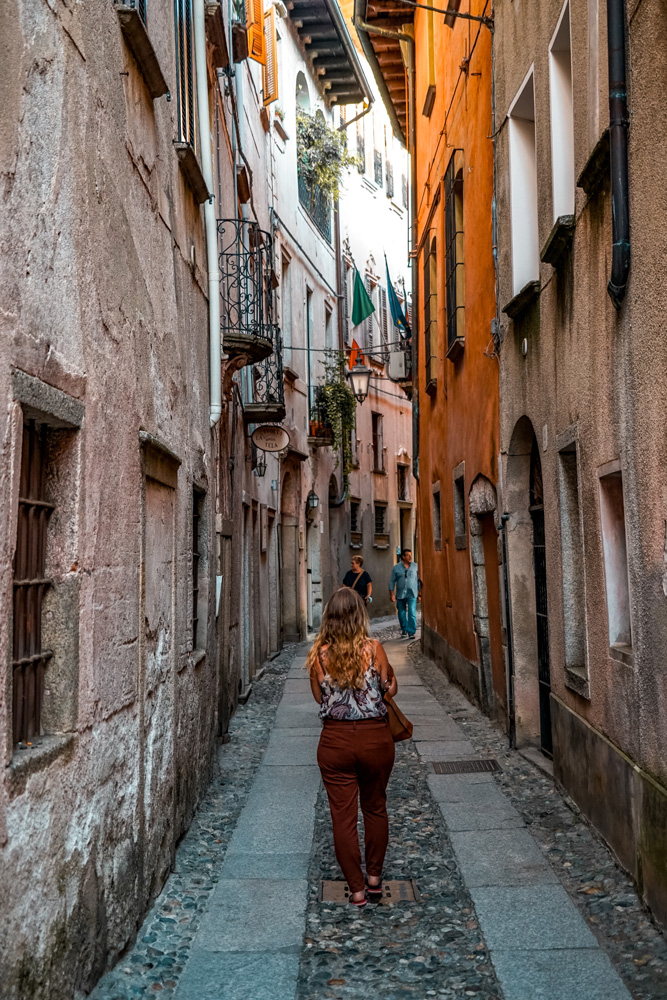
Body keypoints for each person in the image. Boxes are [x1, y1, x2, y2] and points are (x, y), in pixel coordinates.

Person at [307, 588, 398, 907]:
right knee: (375, 807)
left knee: (342, 818)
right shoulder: (374, 648)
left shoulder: (319, 655)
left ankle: (356, 892)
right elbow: (390, 689)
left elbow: (320, 699)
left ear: (329, 617)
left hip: (335, 743)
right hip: (375, 740)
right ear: (361, 616)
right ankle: (374, 881)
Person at [388, 548, 421, 638]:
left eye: (411, 555)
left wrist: (420, 594)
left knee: (412, 612)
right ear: (403, 556)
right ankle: (404, 628)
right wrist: (391, 594)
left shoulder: (415, 566)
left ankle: (411, 632)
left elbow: (419, 581)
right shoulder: (396, 568)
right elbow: (392, 581)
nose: (410, 557)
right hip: (400, 594)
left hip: (412, 593)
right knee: (401, 613)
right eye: (408, 555)